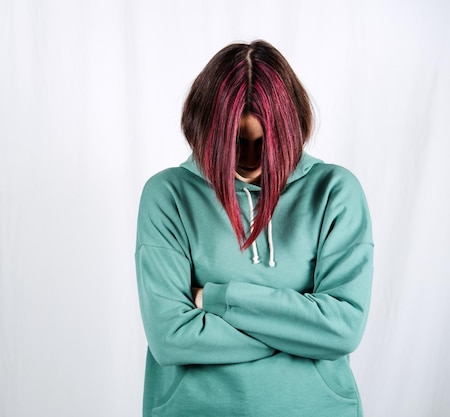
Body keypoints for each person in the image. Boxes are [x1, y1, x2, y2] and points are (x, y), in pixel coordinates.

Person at [135, 40, 373, 417]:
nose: (248, 160)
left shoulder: (333, 192)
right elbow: (171, 338)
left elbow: (343, 329)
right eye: (235, 143)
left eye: (263, 143)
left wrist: (215, 299)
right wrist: (300, 330)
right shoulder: (169, 195)